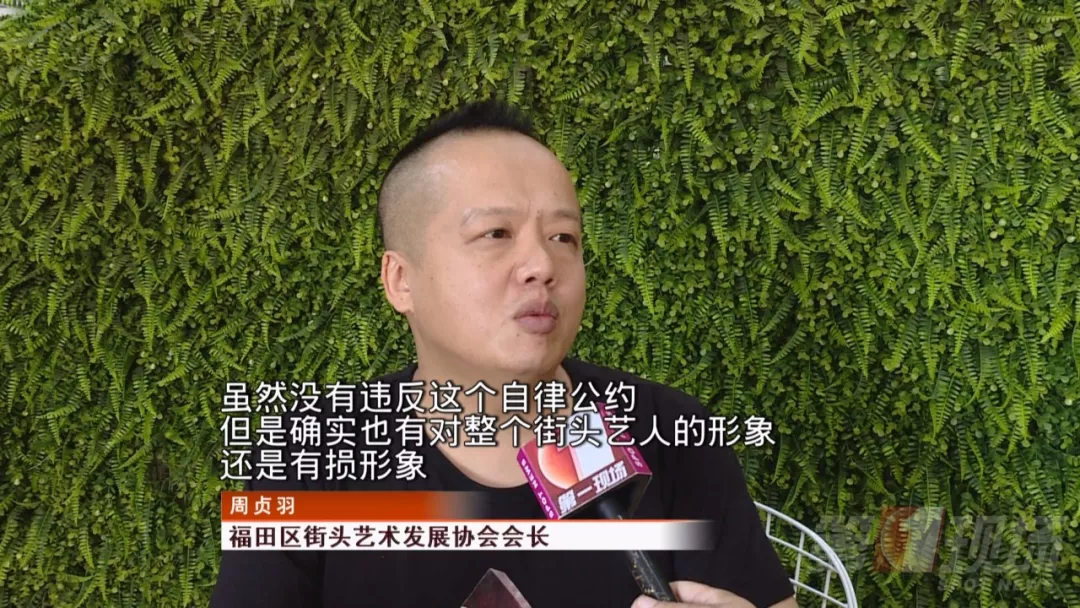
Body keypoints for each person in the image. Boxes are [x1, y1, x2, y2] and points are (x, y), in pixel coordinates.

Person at [210, 98, 799, 608]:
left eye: (563, 237)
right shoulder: (308, 452)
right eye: (495, 234)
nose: (542, 265)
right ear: (400, 281)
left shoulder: (671, 432)